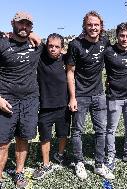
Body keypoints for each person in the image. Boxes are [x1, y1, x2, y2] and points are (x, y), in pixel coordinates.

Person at [66, 11, 114, 180]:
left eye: (96, 25)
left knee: (101, 131)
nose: (93, 27)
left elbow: (112, 56)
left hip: (99, 94)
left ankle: (99, 165)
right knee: (77, 131)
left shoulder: (105, 41)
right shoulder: (75, 44)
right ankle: (79, 162)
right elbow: (70, 72)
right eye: (90, 24)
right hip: (80, 95)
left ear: (101, 27)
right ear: (84, 26)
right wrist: (72, 97)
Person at [0, 11, 43, 188]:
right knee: (2, 142)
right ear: (13, 23)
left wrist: (31, 34)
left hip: (30, 100)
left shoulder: (37, 45)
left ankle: (19, 173)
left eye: (28, 24)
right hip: (6, 100)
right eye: (20, 23)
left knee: (23, 138)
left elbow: (43, 42)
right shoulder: (2, 43)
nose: (24, 27)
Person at [32, 33, 71, 180]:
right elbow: (33, 35)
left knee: (63, 134)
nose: (53, 49)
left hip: (63, 106)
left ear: (62, 48)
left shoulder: (66, 58)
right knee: (45, 137)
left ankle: (60, 155)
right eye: (50, 46)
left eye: (57, 47)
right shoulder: (41, 56)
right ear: (46, 45)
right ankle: (46, 164)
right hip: (45, 107)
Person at [104, 23, 127, 170]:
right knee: (111, 129)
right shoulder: (108, 52)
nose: (124, 39)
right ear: (117, 36)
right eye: (122, 36)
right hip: (114, 97)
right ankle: (110, 155)